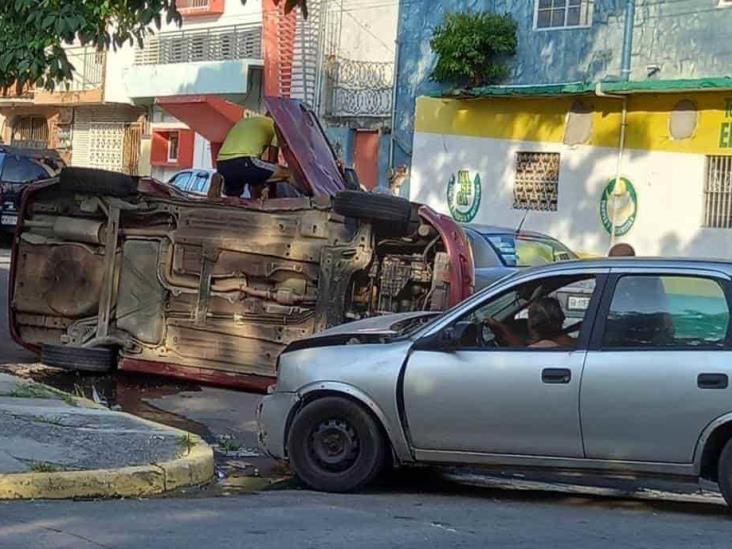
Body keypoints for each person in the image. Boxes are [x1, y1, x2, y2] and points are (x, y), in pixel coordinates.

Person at [216, 115, 279, 197]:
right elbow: (272, 160)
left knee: (234, 196)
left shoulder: (246, 121)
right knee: (288, 174)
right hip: (244, 160)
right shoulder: (275, 126)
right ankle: (301, 200)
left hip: (221, 163)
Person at [486, 296, 576, 349]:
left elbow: (517, 350)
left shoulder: (536, 350)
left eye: (528, 316)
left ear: (532, 324)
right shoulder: (569, 342)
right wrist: (501, 328)